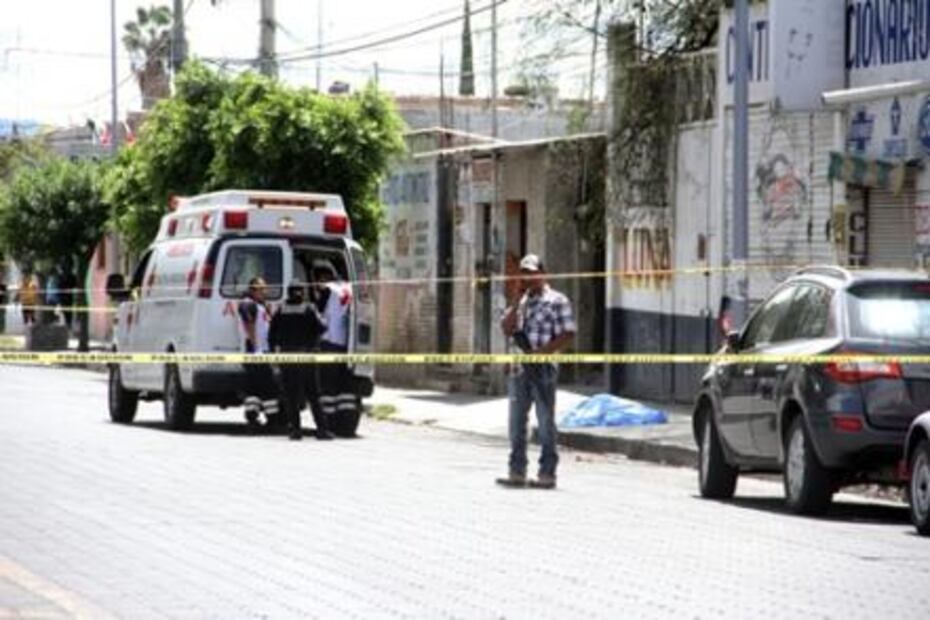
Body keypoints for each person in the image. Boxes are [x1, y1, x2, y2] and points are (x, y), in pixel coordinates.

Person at [496, 254, 576, 490]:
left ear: (542, 274)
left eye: (531, 273)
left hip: (543, 369)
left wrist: (542, 353)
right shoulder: (521, 302)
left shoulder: (557, 300)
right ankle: (517, 471)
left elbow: (568, 333)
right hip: (519, 369)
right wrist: (516, 299)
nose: (528, 278)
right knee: (516, 423)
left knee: (545, 421)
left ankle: (547, 473)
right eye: (524, 274)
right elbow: (507, 328)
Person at [269, 281, 330, 441]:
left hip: (287, 357)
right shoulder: (309, 308)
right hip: (306, 357)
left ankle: (295, 431)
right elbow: (322, 327)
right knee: (313, 395)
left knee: (291, 396)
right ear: (302, 292)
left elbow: (271, 334)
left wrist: (273, 355)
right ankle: (322, 430)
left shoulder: (281, 309)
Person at [312, 263, 356, 425]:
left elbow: (318, 313)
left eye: (317, 280)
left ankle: (327, 419)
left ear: (323, 278)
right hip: (344, 342)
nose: (316, 284)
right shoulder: (348, 287)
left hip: (328, 341)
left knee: (326, 383)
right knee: (340, 381)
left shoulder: (328, 289)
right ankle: (344, 419)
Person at [237, 277, 278, 427]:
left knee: (255, 386)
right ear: (252, 290)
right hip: (255, 350)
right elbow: (249, 325)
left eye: (264, 289)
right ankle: (271, 419)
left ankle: (253, 417)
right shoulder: (248, 303)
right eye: (260, 289)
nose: (264, 292)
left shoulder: (261, 305)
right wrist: (256, 348)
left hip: (262, 350)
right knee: (267, 386)